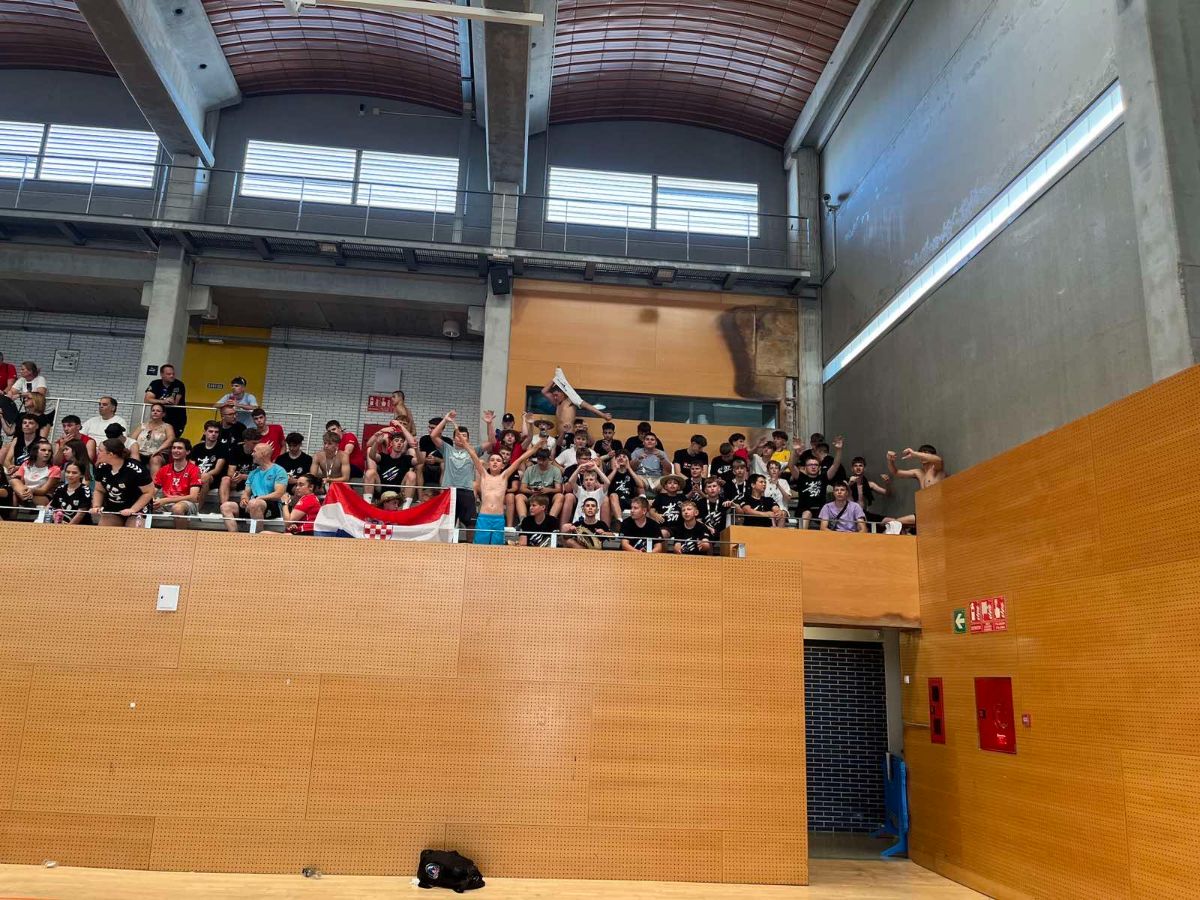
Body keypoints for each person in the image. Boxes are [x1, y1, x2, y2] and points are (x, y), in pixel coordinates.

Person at [465, 436, 541, 545]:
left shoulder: (504, 477)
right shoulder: (484, 475)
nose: (495, 462)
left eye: (498, 460)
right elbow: (473, 454)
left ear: (502, 466)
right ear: (488, 464)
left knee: (497, 550)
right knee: (479, 548)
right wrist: (463, 441)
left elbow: (520, 459)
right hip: (484, 517)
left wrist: (536, 447)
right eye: (492, 460)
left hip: (498, 519)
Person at [428, 410, 482, 528]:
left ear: (468, 439)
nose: (460, 438)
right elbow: (433, 435)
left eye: (464, 436)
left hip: (467, 490)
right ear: (453, 438)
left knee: (471, 524)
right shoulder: (447, 448)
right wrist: (445, 420)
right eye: (458, 435)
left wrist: (489, 423)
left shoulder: (473, 450)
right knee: (448, 524)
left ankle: (470, 541)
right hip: (449, 490)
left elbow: (492, 442)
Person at [221, 441, 288, 533]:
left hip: (272, 505)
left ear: (263, 453)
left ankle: (257, 537)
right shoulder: (253, 473)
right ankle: (234, 536)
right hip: (252, 504)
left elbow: (279, 494)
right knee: (225, 506)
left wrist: (259, 498)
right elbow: (246, 492)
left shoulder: (279, 471)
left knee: (255, 503)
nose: (252, 454)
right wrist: (244, 499)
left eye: (254, 451)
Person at [91, 438, 153, 527]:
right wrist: (96, 506)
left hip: (137, 507)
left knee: (134, 531)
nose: (97, 452)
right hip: (113, 506)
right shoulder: (102, 467)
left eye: (100, 450)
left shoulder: (136, 469)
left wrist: (133, 509)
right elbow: (99, 490)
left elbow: (148, 492)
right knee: (104, 530)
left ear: (111, 454)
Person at [883, 445, 946, 531]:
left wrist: (915, 453)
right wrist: (890, 460)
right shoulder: (918, 472)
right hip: (924, 513)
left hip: (938, 512)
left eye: (926, 453)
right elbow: (896, 472)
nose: (922, 455)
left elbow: (938, 459)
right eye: (921, 453)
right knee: (894, 523)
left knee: (895, 522)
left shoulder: (937, 469)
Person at [541, 367, 612, 438]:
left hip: (569, 435)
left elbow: (587, 406)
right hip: (559, 436)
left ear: (563, 393)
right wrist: (556, 379)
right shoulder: (557, 403)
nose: (555, 397)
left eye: (556, 395)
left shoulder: (570, 401)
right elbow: (544, 391)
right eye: (554, 395)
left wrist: (603, 415)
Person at [790, 436, 844, 529]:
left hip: (821, 510)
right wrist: (795, 451)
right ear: (805, 468)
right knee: (807, 513)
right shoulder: (801, 477)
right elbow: (791, 465)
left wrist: (839, 450)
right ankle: (802, 535)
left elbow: (836, 465)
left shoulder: (823, 477)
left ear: (819, 467)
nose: (813, 466)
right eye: (810, 465)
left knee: (826, 515)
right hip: (804, 510)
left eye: (816, 465)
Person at [152, 438, 202, 528]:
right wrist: (151, 500)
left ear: (187, 452)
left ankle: (181, 536)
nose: (175, 450)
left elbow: (193, 497)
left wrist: (166, 500)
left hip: (187, 503)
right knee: (145, 506)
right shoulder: (164, 469)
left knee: (177, 508)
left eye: (179, 448)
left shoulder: (194, 469)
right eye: (174, 448)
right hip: (166, 503)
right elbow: (152, 490)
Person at [369, 425, 422, 506]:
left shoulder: (407, 458)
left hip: (399, 492)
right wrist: (376, 443)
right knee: (370, 472)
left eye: (401, 441)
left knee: (411, 474)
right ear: (391, 443)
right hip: (382, 489)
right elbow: (372, 456)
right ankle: (367, 503)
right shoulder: (383, 456)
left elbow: (420, 461)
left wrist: (416, 448)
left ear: (403, 445)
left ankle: (405, 508)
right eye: (396, 440)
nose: (399, 443)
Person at [516, 446, 564, 519]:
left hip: (548, 494)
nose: (540, 462)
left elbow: (559, 489)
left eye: (543, 460)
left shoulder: (555, 470)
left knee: (560, 496)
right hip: (532, 494)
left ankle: (551, 520)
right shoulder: (530, 469)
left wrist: (548, 490)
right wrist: (531, 491)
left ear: (549, 459)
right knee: (519, 497)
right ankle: (523, 521)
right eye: (539, 459)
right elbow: (522, 488)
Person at [10, 439, 60, 508]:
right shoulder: (26, 464)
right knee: (14, 481)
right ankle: (26, 499)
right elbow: (19, 483)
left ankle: (26, 499)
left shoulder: (55, 469)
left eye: (49, 451)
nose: (47, 453)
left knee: (15, 496)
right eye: (43, 450)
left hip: (42, 496)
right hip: (25, 493)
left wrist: (32, 490)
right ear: (36, 452)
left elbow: (44, 491)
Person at [130, 403, 176, 474]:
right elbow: (132, 440)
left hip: (159, 453)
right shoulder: (142, 426)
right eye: (153, 410)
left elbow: (171, 439)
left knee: (155, 459)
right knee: (133, 458)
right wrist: (135, 452)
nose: (155, 412)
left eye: (158, 411)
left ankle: (154, 481)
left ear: (163, 414)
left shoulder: (167, 427)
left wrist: (158, 450)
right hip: (139, 452)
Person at [219, 428, 260, 506]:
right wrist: (236, 476)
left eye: (258, 443)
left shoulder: (260, 451)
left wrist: (244, 476)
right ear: (246, 441)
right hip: (238, 480)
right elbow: (230, 472)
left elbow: (261, 475)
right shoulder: (235, 450)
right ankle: (224, 507)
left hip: (252, 481)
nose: (257, 446)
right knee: (225, 479)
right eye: (254, 443)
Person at [846, 456, 891, 525]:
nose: (858, 468)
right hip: (850, 514)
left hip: (864, 514)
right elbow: (841, 493)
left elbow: (887, 493)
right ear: (852, 469)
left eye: (860, 465)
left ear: (864, 468)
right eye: (855, 466)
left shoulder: (870, 484)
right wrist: (849, 484)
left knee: (891, 521)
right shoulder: (846, 483)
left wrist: (887, 483)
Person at [143, 363, 187, 434]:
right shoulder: (155, 383)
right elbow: (147, 399)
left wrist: (160, 401)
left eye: (173, 374)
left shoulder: (179, 384)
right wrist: (164, 401)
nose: (172, 376)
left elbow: (174, 402)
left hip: (176, 418)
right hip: (158, 418)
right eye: (168, 374)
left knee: (172, 438)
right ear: (162, 374)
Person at [562, 461, 610, 525]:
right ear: (583, 483)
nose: (588, 482)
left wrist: (596, 468)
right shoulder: (580, 491)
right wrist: (579, 468)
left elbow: (607, 482)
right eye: (586, 480)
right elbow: (571, 481)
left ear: (596, 482)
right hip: (578, 523)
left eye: (591, 479)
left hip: (593, 524)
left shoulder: (599, 493)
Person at [189, 420, 228, 496]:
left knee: (205, 477)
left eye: (216, 432)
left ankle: (197, 503)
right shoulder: (197, 448)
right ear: (204, 432)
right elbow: (191, 466)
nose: (213, 434)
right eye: (210, 431)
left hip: (213, 478)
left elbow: (217, 470)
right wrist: (196, 475)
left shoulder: (223, 448)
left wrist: (201, 476)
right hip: (196, 476)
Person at [48, 460, 92, 524]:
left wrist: (69, 527)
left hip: (81, 526)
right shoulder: (60, 489)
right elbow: (53, 508)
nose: (70, 475)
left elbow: (81, 513)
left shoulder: (85, 490)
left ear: (82, 475)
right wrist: (57, 521)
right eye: (68, 472)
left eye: (74, 473)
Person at [606, 450, 646, 522]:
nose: (621, 458)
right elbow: (606, 483)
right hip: (615, 501)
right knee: (613, 495)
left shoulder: (630, 473)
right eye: (618, 456)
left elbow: (641, 485)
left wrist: (629, 468)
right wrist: (615, 469)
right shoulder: (610, 472)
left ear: (628, 460)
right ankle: (620, 521)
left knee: (646, 503)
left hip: (628, 500)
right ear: (615, 460)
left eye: (624, 457)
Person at [418, 417, 444, 488]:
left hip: (441, 467)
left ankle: (442, 492)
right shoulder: (424, 439)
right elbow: (422, 459)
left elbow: (449, 461)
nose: (429, 430)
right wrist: (427, 460)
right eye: (429, 427)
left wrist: (437, 460)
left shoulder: (447, 441)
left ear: (441, 430)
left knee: (444, 465)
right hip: (426, 466)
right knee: (419, 466)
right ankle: (420, 494)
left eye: (432, 428)